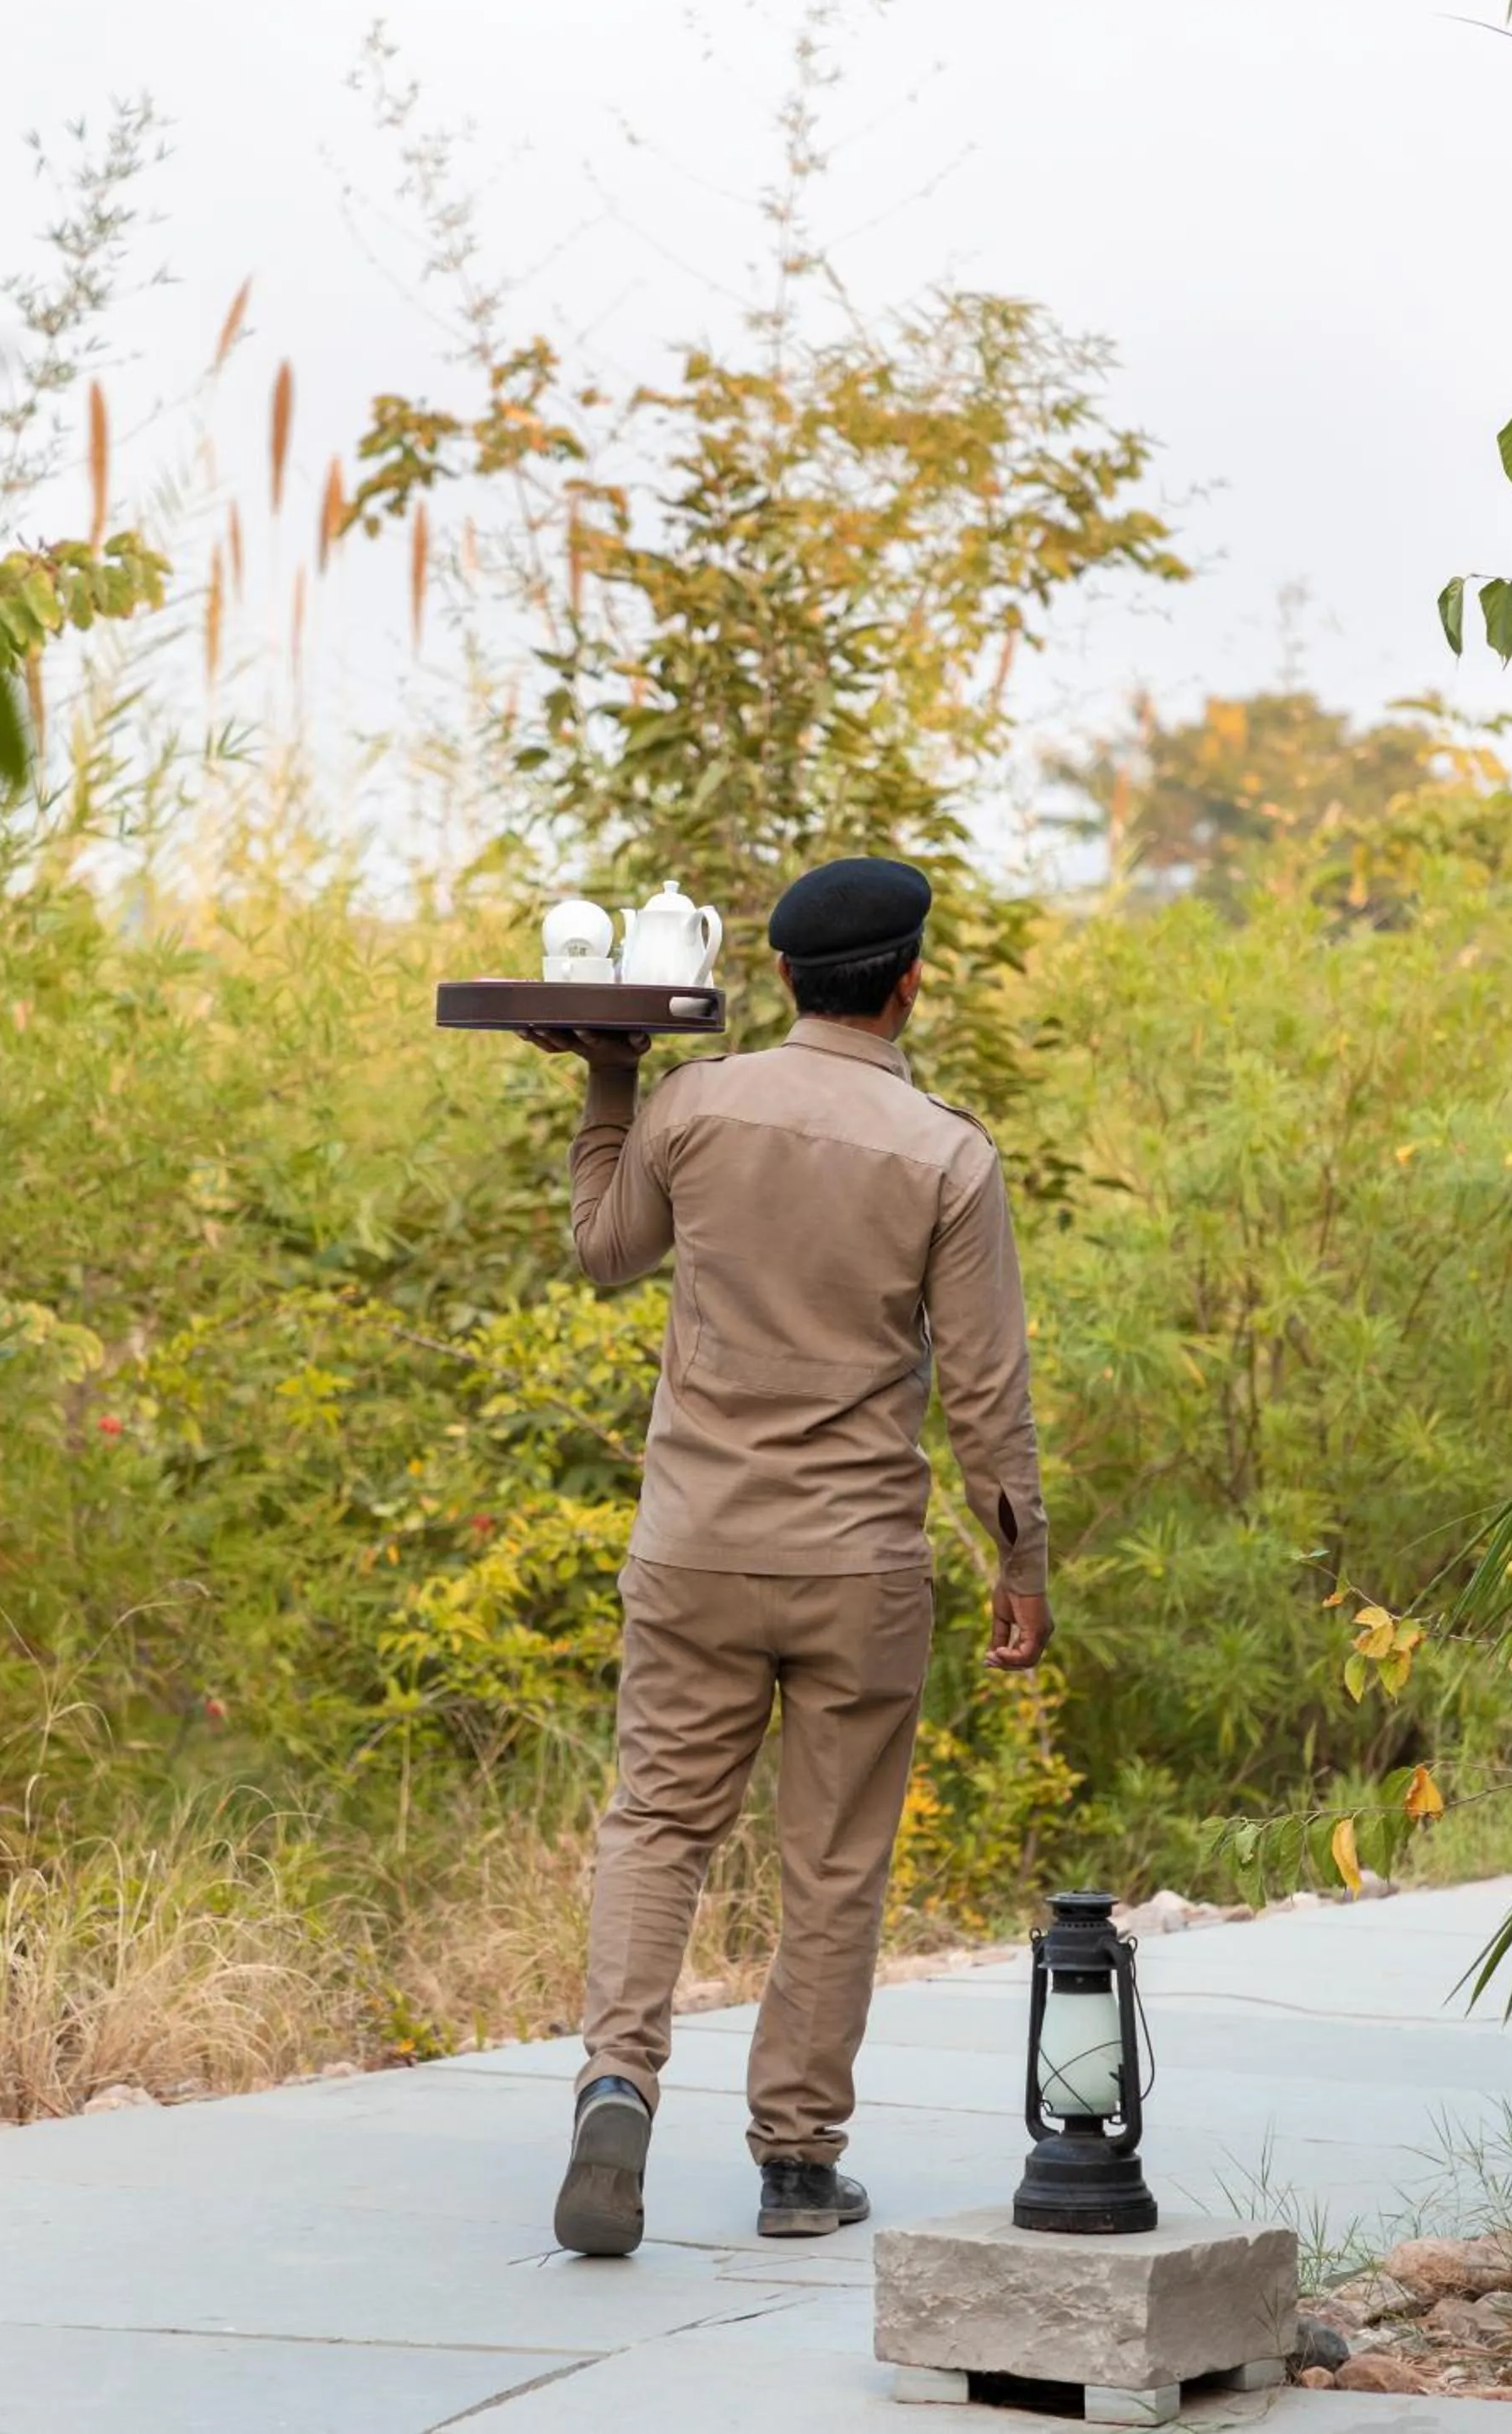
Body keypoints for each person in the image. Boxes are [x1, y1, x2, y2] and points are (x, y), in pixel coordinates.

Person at [521, 854, 1052, 2258]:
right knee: (830, 1866)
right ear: (909, 981)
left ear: (780, 980)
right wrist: (1021, 1564)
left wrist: (610, 1084)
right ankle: (799, 2165)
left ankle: (618, 2078)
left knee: (658, 1825)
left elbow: (602, 1248)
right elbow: (988, 1392)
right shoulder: (947, 1151)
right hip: (856, 1566)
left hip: (694, 1547)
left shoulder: (698, 1104)